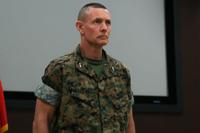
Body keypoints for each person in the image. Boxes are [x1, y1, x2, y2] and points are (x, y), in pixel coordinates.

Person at [32, 2, 136, 133]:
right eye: (97, 22)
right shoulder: (60, 69)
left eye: (108, 23)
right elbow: (41, 120)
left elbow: (129, 123)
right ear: (80, 27)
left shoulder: (121, 72)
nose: (104, 28)